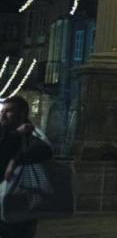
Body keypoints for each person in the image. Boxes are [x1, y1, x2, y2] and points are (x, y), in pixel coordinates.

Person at [0, 96, 53, 238]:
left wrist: (15, 161)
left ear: (22, 113)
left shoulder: (31, 134)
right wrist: (16, 134)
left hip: (22, 197)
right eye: (2, 111)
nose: (3, 115)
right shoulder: (6, 132)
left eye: (8, 111)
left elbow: (45, 151)